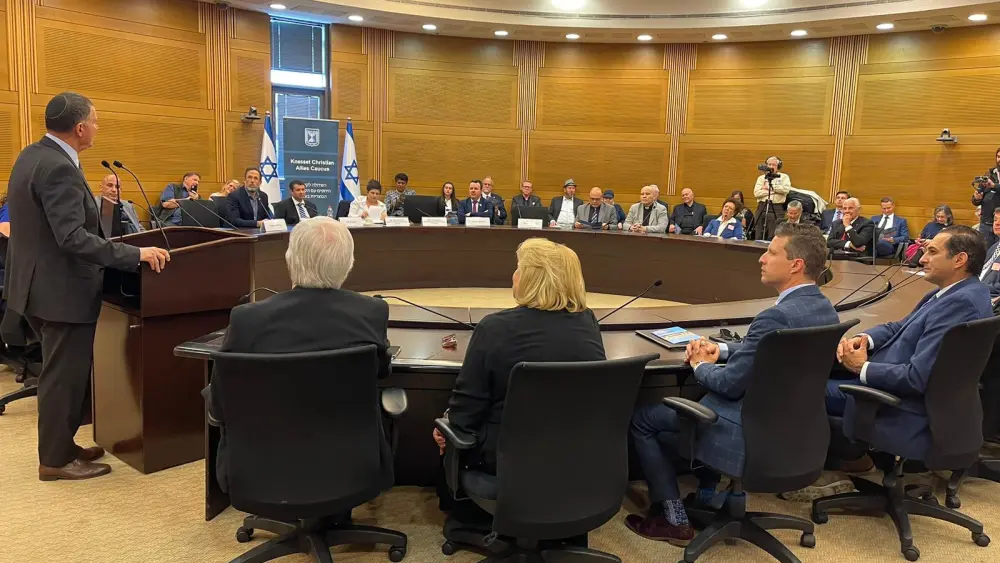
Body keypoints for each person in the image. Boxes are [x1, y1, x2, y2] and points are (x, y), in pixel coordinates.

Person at [626, 223, 838, 544]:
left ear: (796, 265)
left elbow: (728, 383)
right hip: (794, 431)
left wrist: (699, 364)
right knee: (703, 397)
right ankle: (707, 494)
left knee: (645, 419)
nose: (761, 259)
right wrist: (722, 349)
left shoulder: (775, 317)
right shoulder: (823, 309)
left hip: (747, 433)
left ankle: (673, 518)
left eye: (771, 252)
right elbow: (771, 349)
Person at [4, 92, 169, 481]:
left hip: (34, 286)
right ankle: (56, 460)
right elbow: (71, 238)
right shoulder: (59, 167)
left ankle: (62, 445)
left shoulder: (32, 155)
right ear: (80, 128)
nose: (97, 126)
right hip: (60, 291)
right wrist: (135, 255)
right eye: (95, 121)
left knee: (60, 372)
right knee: (64, 376)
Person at [205, 217, 393, 492]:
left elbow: (219, 404)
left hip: (262, 464)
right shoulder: (371, 312)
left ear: (289, 259)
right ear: (348, 263)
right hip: (348, 464)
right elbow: (381, 372)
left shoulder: (247, 319)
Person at [816, 225, 992, 492]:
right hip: (924, 397)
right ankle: (853, 457)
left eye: (932, 252)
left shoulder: (959, 304)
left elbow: (915, 377)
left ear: (959, 260)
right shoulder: (955, 292)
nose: (922, 259)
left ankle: (822, 466)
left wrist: (862, 367)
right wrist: (864, 338)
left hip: (903, 404)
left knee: (804, 389)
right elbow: (901, 327)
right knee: (825, 372)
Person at [434, 237, 605, 473]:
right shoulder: (588, 322)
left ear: (531, 279)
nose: (514, 275)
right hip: (577, 452)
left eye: (518, 269)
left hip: (505, 459)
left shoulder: (494, 328)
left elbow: (465, 414)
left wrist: (445, 420)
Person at [752, 156, 792, 240]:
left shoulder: (784, 177)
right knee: (758, 232)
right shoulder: (761, 178)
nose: (771, 166)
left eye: (773, 164)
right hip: (761, 206)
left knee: (773, 234)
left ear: (778, 166)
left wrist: (769, 187)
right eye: (769, 164)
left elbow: (785, 190)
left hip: (776, 208)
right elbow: (757, 193)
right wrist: (774, 191)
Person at [973, 148, 1000, 247]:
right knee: (985, 252)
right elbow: (975, 200)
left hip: (999, 222)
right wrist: (977, 198)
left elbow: (994, 187)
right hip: (986, 223)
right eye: (998, 157)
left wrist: (994, 186)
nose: (999, 159)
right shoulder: (989, 175)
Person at [980, 208, 1000, 300]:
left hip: (988, 300)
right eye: (995, 219)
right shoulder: (994, 246)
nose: (997, 223)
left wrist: (974, 288)